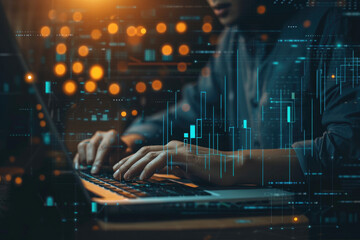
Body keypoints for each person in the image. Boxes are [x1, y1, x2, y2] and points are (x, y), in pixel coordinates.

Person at [73, 0, 360, 186]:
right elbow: (191, 112)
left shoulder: (334, 22)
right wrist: (127, 142)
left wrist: (233, 164)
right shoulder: (232, 40)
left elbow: (349, 151)